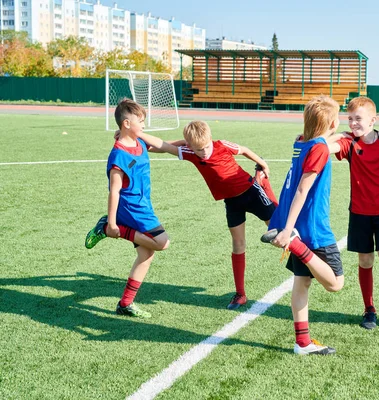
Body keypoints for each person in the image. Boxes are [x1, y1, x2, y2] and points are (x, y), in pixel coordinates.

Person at [133, 120, 277, 310]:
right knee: (238, 244)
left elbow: (243, 150)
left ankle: (306, 260)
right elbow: (163, 146)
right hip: (231, 202)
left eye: (206, 146)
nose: (204, 152)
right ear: (190, 146)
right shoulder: (192, 153)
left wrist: (263, 164)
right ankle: (240, 294)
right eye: (199, 149)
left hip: (252, 192)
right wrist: (137, 136)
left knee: (279, 229)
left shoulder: (221, 145)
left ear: (211, 139)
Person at [262, 95, 345, 355]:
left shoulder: (300, 142)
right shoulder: (318, 149)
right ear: (332, 122)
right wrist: (289, 233)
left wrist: (341, 137)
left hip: (293, 221)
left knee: (302, 283)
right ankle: (297, 246)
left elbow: (321, 142)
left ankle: (302, 343)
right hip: (309, 226)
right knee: (335, 283)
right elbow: (302, 189)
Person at [84, 99, 170, 319]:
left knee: (146, 253)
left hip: (143, 205)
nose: (143, 124)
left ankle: (125, 304)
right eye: (140, 121)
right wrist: (113, 224)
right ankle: (107, 228)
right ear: (126, 124)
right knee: (162, 242)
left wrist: (189, 148)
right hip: (131, 208)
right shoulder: (118, 155)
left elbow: (163, 145)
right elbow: (114, 191)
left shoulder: (139, 142)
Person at [329, 96, 379, 330]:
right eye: (349, 119)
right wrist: (337, 134)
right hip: (359, 213)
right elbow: (327, 147)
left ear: (373, 120)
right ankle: (369, 308)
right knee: (365, 259)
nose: (353, 124)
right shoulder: (349, 143)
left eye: (358, 119)